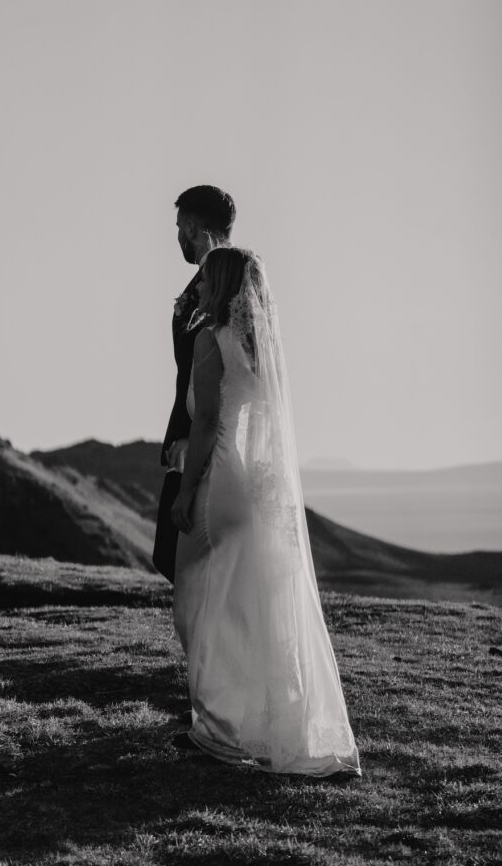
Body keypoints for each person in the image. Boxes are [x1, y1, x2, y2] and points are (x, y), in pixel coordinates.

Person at [170, 247, 362, 777]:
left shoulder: (211, 339)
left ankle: (217, 731)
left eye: (207, 281)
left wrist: (186, 492)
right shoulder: (262, 348)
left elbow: (207, 422)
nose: (200, 289)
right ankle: (259, 725)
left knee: (195, 602)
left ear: (225, 287)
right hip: (256, 487)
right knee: (250, 607)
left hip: (220, 484)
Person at [152, 186, 235, 583]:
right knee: (175, 560)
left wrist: (187, 438)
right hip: (206, 439)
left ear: (190, 226)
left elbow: (207, 374)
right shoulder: (235, 284)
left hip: (201, 445)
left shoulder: (215, 290)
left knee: (177, 560)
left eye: (179, 227)